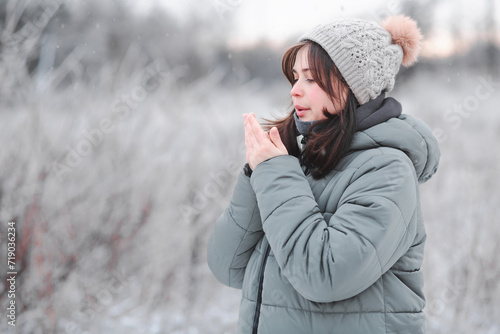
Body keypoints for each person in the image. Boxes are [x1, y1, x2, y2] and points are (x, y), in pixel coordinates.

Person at [207, 15, 440, 334]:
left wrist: (275, 175)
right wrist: (259, 171)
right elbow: (229, 266)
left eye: (311, 79)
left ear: (353, 87)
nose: (295, 92)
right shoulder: (296, 159)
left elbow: (324, 276)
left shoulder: (387, 169)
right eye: (294, 78)